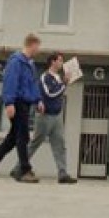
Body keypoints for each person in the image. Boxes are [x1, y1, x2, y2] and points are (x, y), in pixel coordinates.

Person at [0, 34, 42, 183]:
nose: (39, 50)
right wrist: (9, 103)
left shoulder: (30, 64)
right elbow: (10, 82)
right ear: (32, 44)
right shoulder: (16, 62)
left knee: (13, 138)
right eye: (38, 46)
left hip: (25, 103)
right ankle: (24, 170)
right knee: (23, 136)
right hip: (18, 102)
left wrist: (38, 100)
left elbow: (33, 85)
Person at [10, 52, 78, 184]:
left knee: (60, 145)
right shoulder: (45, 77)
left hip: (57, 116)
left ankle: (62, 173)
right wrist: (64, 84)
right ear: (52, 62)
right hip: (44, 116)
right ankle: (18, 168)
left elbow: (59, 93)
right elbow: (50, 94)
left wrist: (64, 83)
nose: (62, 63)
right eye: (59, 60)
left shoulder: (58, 77)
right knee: (35, 143)